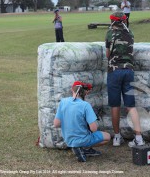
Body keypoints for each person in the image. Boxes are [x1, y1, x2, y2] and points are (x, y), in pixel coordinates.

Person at [105, 11, 145, 147]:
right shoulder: (130, 33)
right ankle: (138, 137)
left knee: (115, 105)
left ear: (112, 21)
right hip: (129, 71)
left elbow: (107, 54)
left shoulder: (110, 33)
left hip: (114, 71)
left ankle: (117, 137)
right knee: (130, 106)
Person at [54, 81, 110, 162]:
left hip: (68, 139)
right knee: (107, 137)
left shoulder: (63, 102)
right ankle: (84, 148)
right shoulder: (86, 105)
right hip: (83, 139)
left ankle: (80, 147)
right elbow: (93, 129)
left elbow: (56, 124)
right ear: (86, 92)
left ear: (72, 89)